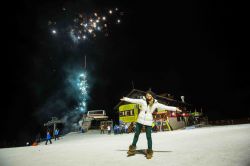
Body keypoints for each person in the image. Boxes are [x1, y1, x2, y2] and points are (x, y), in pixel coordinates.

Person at [120, 90, 182, 159]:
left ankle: (149, 152)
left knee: (148, 137)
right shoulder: (142, 100)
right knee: (136, 134)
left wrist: (175, 109)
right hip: (140, 120)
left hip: (148, 121)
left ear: (152, 96)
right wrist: (125, 99)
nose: (148, 96)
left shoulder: (156, 103)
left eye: (149, 95)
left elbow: (165, 107)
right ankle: (132, 149)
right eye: (147, 95)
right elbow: (134, 100)